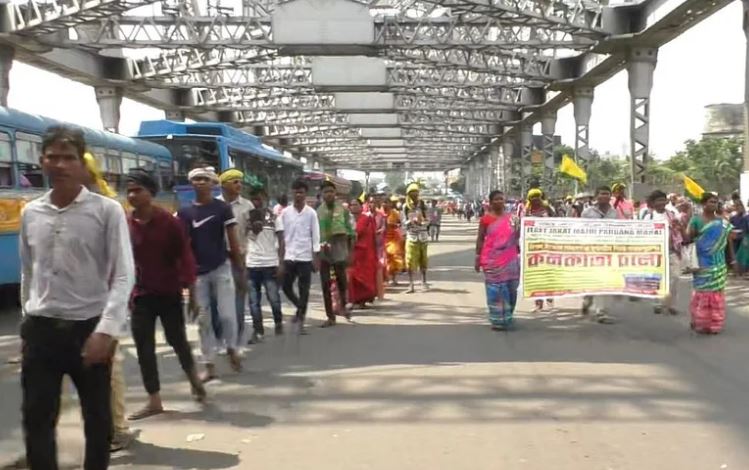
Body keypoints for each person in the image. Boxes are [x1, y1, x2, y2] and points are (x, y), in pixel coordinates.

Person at [19, 125, 135, 469]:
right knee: (37, 419)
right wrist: (28, 320)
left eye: (68, 158)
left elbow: (124, 274)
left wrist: (107, 330)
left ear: (82, 164)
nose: (60, 164)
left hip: (89, 331)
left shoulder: (106, 211)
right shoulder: (31, 212)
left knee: (97, 421)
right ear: (41, 161)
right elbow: (30, 272)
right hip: (41, 330)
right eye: (52, 157)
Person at [125, 168, 206, 421]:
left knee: (177, 340)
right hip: (141, 296)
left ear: (151, 192)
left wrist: (192, 294)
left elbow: (185, 257)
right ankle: (154, 400)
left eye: (137, 190)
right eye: (129, 190)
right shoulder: (125, 224)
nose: (132, 195)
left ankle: (194, 379)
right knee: (144, 348)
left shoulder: (169, 223)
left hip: (169, 292)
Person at [177, 166, 244, 382]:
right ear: (191, 183)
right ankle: (209, 364)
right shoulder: (185, 213)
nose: (200, 182)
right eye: (196, 179)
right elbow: (183, 247)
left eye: (204, 179)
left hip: (221, 267)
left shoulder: (222, 208)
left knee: (226, 315)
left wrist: (240, 269)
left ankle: (232, 348)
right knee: (203, 320)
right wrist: (185, 279)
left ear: (213, 183)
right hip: (198, 274)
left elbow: (232, 239)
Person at [686, 192, 736, 334]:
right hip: (701, 262)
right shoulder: (696, 220)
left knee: (716, 294)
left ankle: (715, 324)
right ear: (703, 204)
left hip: (718, 262)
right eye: (710, 202)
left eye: (715, 202)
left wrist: (733, 259)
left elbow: (729, 241)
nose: (713, 204)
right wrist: (682, 228)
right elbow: (688, 239)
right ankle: (699, 322)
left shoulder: (723, 221)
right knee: (701, 293)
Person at [475, 190, 520, 330]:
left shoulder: (513, 218)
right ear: (490, 202)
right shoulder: (485, 219)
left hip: (510, 259)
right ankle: (497, 320)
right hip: (492, 260)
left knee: (511, 289)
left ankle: (508, 315)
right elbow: (481, 238)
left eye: (501, 199)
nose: (499, 201)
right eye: (496, 199)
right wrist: (477, 257)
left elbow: (519, 236)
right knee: (495, 290)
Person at [218, 169, 254, 345]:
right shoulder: (214, 205)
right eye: (235, 182)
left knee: (239, 297)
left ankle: (236, 336)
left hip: (240, 258)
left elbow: (254, 235)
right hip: (218, 259)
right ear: (223, 185)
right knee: (221, 300)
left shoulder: (247, 206)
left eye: (240, 181)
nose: (239, 185)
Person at [280, 178, 321, 334]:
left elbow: (315, 234)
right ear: (292, 193)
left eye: (301, 192)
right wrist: (280, 257)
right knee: (286, 287)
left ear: (305, 194)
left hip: (305, 257)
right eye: (296, 192)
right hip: (289, 256)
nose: (298, 195)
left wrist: (316, 256)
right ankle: (299, 307)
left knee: (304, 290)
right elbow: (281, 235)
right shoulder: (284, 213)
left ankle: (301, 321)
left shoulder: (311, 213)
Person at [246, 187, 285, 344]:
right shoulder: (245, 218)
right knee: (253, 301)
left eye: (260, 198)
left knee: (273, 298)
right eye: (254, 198)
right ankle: (258, 330)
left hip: (270, 264)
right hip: (251, 264)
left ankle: (278, 322)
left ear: (266, 199)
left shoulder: (275, 217)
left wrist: (281, 262)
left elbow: (282, 240)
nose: (257, 201)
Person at [640, 190, 684, 315]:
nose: (661, 203)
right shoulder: (649, 217)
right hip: (656, 252)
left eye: (663, 200)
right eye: (658, 200)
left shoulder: (672, 214)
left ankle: (671, 304)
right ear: (653, 203)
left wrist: (678, 226)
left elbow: (679, 229)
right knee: (657, 278)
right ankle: (658, 303)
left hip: (672, 250)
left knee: (675, 278)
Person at [317, 180, 355, 326]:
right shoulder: (318, 212)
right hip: (323, 251)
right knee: (325, 284)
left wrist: (351, 252)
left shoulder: (344, 210)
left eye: (331, 191)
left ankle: (345, 306)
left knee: (341, 281)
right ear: (321, 194)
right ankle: (330, 316)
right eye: (326, 192)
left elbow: (351, 232)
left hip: (340, 248)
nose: (329, 194)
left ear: (335, 193)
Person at [580, 185, 618, 324]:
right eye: (602, 193)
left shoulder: (614, 213)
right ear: (596, 196)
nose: (605, 196)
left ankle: (601, 312)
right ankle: (587, 299)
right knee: (591, 281)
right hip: (591, 251)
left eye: (607, 194)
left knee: (604, 281)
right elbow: (581, 231)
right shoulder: (587, 212)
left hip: (608, 251)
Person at [522, 188, 555, 312]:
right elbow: (521, 226)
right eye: (533, 197)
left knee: (548, 274)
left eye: (537, 196)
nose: (535, 199)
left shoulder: (548, 209)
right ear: (529, 199)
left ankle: (550, 298)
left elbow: (559, 222)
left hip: (548, 246)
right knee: (535, 276)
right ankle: (538, 303)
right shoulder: (526, 210)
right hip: (532, 248)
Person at [348, 198, 379, 308]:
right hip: (351, 251)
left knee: (364, 277)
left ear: (361, 207)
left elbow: (358, 231)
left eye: (356, 204)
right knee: (352, 276)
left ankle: (362, 301)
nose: (353, 207)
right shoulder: (347, 219)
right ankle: (353, 299)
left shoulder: (365, 218)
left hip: (364, 252)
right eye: (351, 205)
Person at [402, 184, 430, 293]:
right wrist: (411, 221)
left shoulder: (423, 205)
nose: (414, 195)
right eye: (411, 193)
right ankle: (411, 284)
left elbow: (428, 220)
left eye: (416, 193)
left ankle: (424, 282)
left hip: (423, 236)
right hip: (411, 236)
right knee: (409, 260)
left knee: (423, 260)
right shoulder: (405, 206)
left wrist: (422, 222)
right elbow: (403, 222)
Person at [384, 196, 404, 285]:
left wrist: (393, 225)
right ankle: (386, 279)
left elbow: (399, 223)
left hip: (393, 239)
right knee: (385, 259)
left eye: (387, 202)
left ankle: (393, 278)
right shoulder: (379, 213)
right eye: (384, 203)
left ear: (390, 204)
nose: (385, 204)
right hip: (382, 239)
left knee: (394, 257)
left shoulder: (394, 213)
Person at [371, 191, 387, 300]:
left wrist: (378, 231)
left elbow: (383, 227)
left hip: (379, 245)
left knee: (379, 267)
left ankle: (379, 292)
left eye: (375, 201)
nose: (373, 203)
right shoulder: (364, 214)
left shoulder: (380, 215)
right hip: (368, 245)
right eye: (371, 202)